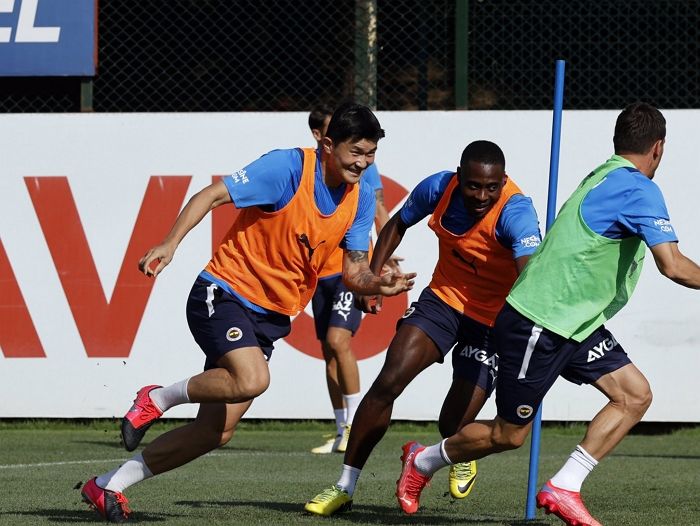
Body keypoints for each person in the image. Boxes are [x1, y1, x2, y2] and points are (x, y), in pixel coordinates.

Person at [79, 102, 416, 523]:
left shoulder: (361, 194)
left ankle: (108, 484)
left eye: (370, 154)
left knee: (215, 432)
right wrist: (169, 244)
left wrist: (377, 282)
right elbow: (212, 194)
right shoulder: (288, 167)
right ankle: (156, 397)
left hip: (271, 317)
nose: (363, 163)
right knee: (253, 379)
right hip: (223, 292)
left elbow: (353, 270)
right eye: (356, 153)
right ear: (328, 145)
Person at [395, 103, 700, 525]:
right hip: (539, 322)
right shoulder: (638, 188)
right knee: (509, 435)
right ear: (659, 148)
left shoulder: (605, 174)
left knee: (634, 394)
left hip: (575, 322)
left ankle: (565, 486)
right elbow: (673, 265)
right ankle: (422, 461)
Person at [305, 140, 542, 516]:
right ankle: (344, 486)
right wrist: (371, 275)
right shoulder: (438, 187)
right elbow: (398, 224)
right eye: (473, 186)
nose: (482, 195)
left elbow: (531, 272)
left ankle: (460, 452)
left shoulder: (517, 211)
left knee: (452, 423)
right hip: (442, 303)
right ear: (459, 177)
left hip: (492, 321)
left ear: (503, 181)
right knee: (388, 382)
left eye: (491, 187)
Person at [306, 105, 399, 454]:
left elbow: (377, 209)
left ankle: (357, 422)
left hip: (350, 270)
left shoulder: (358, 172)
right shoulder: (308, 172)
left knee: (338, 340)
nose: (360, 158)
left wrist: (385, 256)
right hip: (320, 272)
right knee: (328, 350)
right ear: (321, 138)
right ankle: (342, 428)